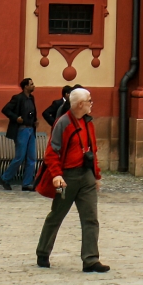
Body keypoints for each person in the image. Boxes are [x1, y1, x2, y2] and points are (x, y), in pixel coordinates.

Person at [35, 87, 108, 272]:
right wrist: (57, 175)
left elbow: (93, 151)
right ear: (80, 104)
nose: (92, 104)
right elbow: (52, 152)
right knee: (56, 215)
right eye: (89, 100)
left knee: (91, 218)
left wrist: (96, 175)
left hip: (86, 176)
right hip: (67, 177)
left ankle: (90, 259)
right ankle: (43, 252)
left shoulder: (88, 122)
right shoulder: (63, 123)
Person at [1, 78, 39, 191]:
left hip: (31, 129)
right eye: (31, 84)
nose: (33, 86)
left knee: (31, 158)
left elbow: (32, 112)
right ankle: (5, 178)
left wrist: (35, 120)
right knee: (20, 157)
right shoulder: (18, 98)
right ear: (25, 87)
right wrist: (16, 118)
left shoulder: (31, 98)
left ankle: (26, 183)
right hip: (21, 130)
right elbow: (5, 110)